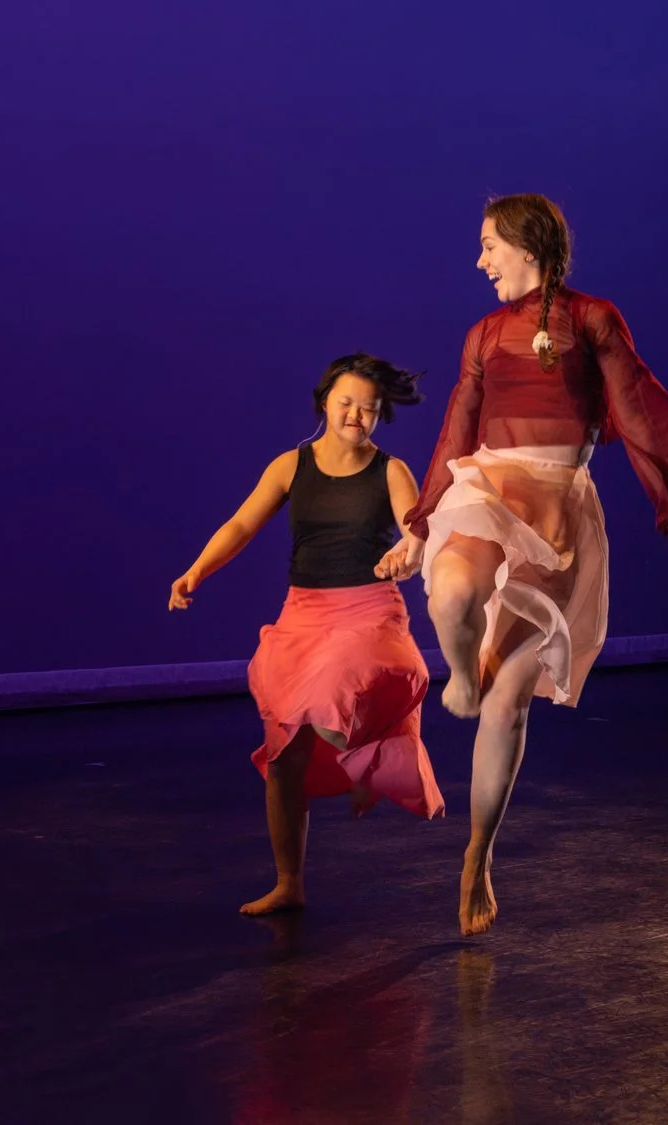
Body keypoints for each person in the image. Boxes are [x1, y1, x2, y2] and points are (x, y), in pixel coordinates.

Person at [376, 193, 668, 935]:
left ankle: (477, 852)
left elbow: (637, 407)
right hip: (487, 487)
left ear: (526, 245)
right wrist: (417, 527)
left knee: (509, 705)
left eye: (487, 245)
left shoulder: (593, 318)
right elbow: (455, 429)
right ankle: (461, 675)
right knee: (450, 594)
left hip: (558, 506)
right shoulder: (483, 333)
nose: (479, 260)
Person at [169, 353, 445, 916]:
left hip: (369, 612)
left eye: (368, 410)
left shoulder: (391, 472)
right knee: (283, 756)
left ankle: (364, 759)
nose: (356, 417)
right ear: (325, 402)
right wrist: (198, 569)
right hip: (304, 614)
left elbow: (418, 535)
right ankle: (289, 882)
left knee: (335, 690)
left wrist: (407, 552)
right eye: (346, 404)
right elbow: (243, 523)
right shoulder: (291, 466)